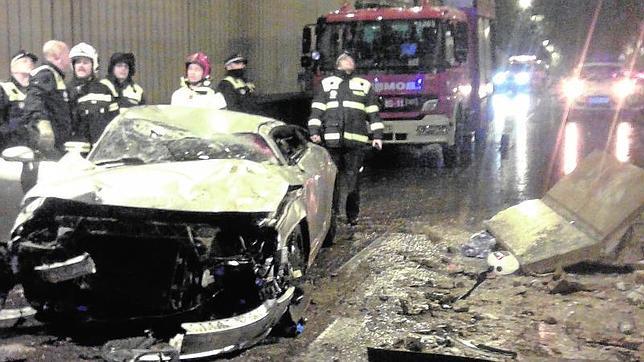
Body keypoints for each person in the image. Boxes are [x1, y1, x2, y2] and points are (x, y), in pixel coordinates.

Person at [308, 52, 383, 227]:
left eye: (351, 60)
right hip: (332, 141)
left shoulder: (364, 85)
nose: (348, 61)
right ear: (338, 64)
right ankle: (331, 215)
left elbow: (373, 113)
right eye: (345, 60)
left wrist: (377, 136)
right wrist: (314, 131)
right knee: (331, 181)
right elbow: (317, 110)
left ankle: (352, 215)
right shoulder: (327, 84)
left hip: (356, 142)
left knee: (353, 181)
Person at [22, 40, 72, 156]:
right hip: (49, 145)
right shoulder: (45, 74)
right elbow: (35, 99)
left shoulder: (56, 76)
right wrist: (42, 124)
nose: (69, 59)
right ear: (57, 56)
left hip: (59, 142)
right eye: (67, 55)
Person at [67, 42, 119, 144]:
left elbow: (115, 121)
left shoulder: (104, 90)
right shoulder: (66, 91)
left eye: (85, 62)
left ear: (94, 65)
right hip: (75, 151)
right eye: (78, 62)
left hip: (100, 149)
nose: (81, 65)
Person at [0, 51, 37, 150]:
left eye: (32, 62)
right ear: (13, 68)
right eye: (24, 61)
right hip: (9, 147)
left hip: (35, 147)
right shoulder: (4, 88)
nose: (30, 64)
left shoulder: (37, 90)